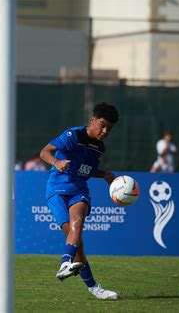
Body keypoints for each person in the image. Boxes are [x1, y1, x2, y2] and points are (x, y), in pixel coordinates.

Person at [39, 102, 119, 300]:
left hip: (79, 190)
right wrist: (56, 162)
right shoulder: (73, 135)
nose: (105, 130)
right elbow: (44, 152)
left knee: (78, 224)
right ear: (92, 120)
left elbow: (86, 170)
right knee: (78, 246)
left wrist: (105, 175)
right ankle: (93, 287)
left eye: (110, 127)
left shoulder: (99, 148)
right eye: (102, 125)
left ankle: (65, 263)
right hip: (57, 189)